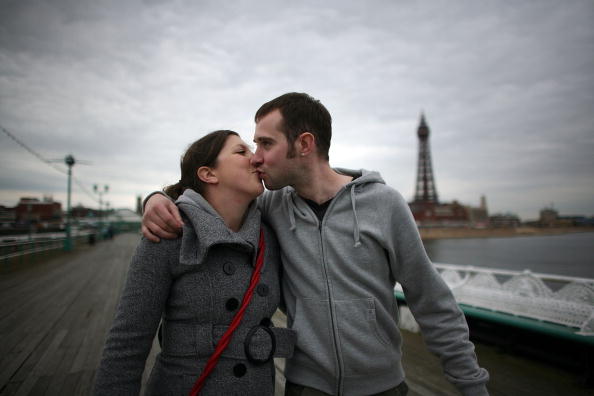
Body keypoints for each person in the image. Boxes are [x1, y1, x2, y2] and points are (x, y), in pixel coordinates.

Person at [143, 93, 490, 396]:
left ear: (304, 144)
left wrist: (472, 385)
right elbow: (210, 199)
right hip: (306, 387)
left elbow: (431, 301)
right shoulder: (270, 206)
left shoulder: (384, 205)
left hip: (383, 386)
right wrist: (157, 198)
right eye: (253, 145)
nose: (256, 157)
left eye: (266, 143)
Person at [95, 130, 296, 396]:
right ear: (208, 174)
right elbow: (126, 345)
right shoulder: (171, 233)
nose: (256, 159)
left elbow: (314, 181)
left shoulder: (269, 235)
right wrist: (157, 197)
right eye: (241, 151)